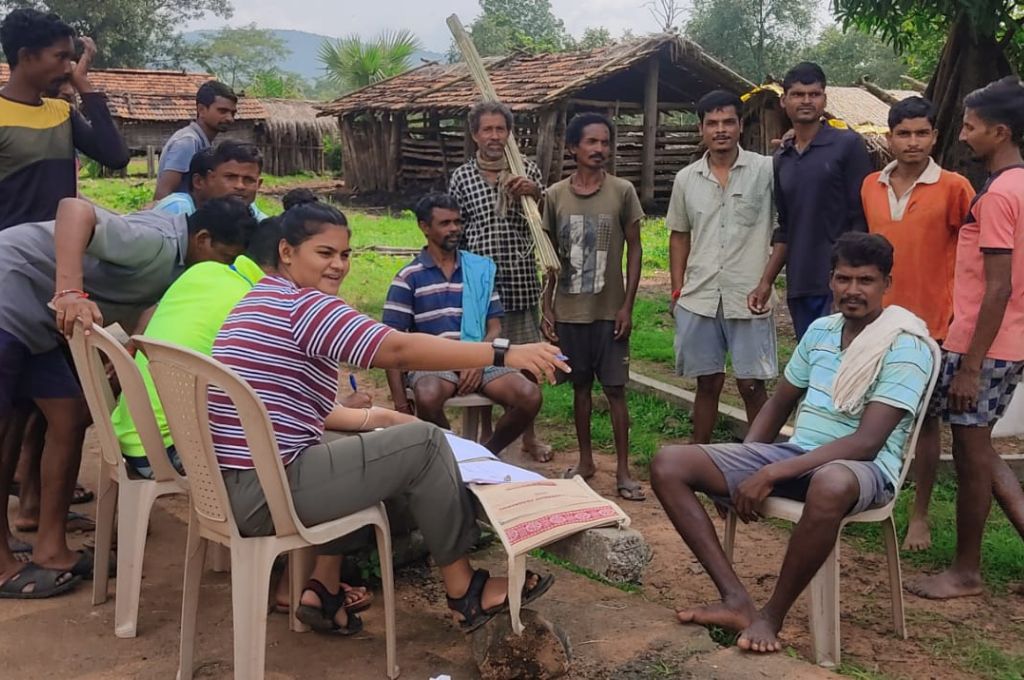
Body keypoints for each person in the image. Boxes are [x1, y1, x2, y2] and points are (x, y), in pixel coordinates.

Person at [188, 202, 565, 633]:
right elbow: (397, 349)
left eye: (345, 255)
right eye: (324, 253)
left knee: (360, 450)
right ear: (287, 253)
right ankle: (465, 591)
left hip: (235, 483)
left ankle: (322, 588)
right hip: (265, 493)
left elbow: (295, 409)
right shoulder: (304, 307)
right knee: (424, 443)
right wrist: (504, 351)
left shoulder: (260, 299)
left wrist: (381, 418)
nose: (338, 266)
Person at [651, 232, 934, 653]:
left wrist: (770, 472)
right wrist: (743, 464)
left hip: (862, 472)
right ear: (831, 281)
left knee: (831, 483)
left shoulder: (905, 346)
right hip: (798, 455)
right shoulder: (821, 331)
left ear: (886, 284)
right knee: (668, 462)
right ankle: (736, 599)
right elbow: (778, 403)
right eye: (843, 279)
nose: (853, 290)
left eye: (866, 281)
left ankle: (771, 616)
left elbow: (867, 443)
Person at [112, 210, 399, 614]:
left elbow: (150, 323)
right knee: (330, 454)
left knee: (317, 449)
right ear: (286, 258)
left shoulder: (204, 273)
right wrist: (370, 418)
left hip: (135, 433)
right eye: (322, 257)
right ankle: (301, 579)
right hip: (185, 447)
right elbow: (269, 410)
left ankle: (306, 575)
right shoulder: (260, 303)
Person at [0, 197, 256, 598]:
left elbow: (148, 315)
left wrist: (126, 364)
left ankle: (51, 549)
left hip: (34, 314)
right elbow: (73, 208)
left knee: (68, 418)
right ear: (202, 239)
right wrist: (71, 291)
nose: (221, 271)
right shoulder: (155, 242)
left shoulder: (181, 269)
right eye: (222, 259)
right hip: (8, 289)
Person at [907, 77, 1024, 600]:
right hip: (1001, 341)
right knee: (982, 452)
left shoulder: (999, 195)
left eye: (973, 127)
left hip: (987, 345)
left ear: (1000, 132)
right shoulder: (1019, 185)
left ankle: (966, 571)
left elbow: (999, 286)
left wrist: (972, 366)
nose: (965, 135)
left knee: (974, 457)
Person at [860, 96, 975, 551]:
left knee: (925, 422)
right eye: (903, 134)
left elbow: (971, 257)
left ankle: (920, 515)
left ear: (935, 137)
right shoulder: (870, 185)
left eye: (921, 133)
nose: (913, 142)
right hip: (877, 323)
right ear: (889, 138)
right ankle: (866, 496)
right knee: (869, 413)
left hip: (932, 328)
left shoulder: (954, 188)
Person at [383, 193, 542, 456]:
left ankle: (484, 455)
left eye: (458, 222)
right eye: (445, 223)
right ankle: (456, 454)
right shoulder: (408, 277)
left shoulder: (479, 269)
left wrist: (478, 358)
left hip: (479, 356)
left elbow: (494, 328)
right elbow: (391, 342)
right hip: (432, 362)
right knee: (428, 395)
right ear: (424, 227)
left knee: (529, 395)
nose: (455, 228)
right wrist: (401, 406)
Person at [541, 112, 645, 502]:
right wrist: (546, 306)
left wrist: (627, 305)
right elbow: (548, 257)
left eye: (605, 142)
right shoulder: (554, 196)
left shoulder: (622, 191)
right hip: (570, 312)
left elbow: (635, 248)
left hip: (609, 311)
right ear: (572, 148)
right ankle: (586, 462)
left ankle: (623, 470)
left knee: (615, 390)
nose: (600, 149)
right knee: (580, 388)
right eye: (591, 142)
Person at [667, 89, 777, 444]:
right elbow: (679, 235)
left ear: (740, 125)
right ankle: (698, 456)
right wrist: (677, 288)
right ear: (701, 128)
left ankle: (759, 460)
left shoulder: (765, 171)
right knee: (707, 381)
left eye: (728, 121)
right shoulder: (686, 179)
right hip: (699, 295)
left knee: (751, 384)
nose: (721, 130)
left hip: (749, 294)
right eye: (712, 123)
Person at [448, 101, 552, 461]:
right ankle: (487, 435)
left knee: (527, 363)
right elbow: (455, 230)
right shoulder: (462, 176)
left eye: (500, 129)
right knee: (484, 360)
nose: (494, 136)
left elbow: (547, 221)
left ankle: (529, 437)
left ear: (509, 133)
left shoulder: (528, 172)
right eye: (487, 130)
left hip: (521, 281)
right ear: (475, 135)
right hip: (478, 286)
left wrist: (535, 195)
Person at [750, 62, 874, 339]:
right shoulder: (782, 158)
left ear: (824, 99)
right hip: (800, 283)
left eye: (814, 94)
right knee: (810, 367)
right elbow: (786, 227)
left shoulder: (847, 145)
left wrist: (851, 281)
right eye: (797, 94)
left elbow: (861, 218)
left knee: (840, 368)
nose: (806, 100)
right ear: (784, 101)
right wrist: (766, 282)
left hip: (839, 285)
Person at [0, 9, 128, 229]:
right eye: (61, 57)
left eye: (71, 59)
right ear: (26, 56)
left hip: (62, 251)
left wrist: (83, 83)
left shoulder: (63, 113)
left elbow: (116, 157)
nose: (69, 68)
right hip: (12, 256)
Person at [153, 80, 237, 201]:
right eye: (222, 111)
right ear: (201, 110)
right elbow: (164, 192)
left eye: (233, 113)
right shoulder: (188, 142)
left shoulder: (204, 143)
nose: (230, 118)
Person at [153, 140, 269, 220]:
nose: (240, 186)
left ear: (259, 184)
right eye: (230, 177)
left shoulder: (252, 213)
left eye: (249, 180)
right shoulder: (178, 209)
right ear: (211, 178)